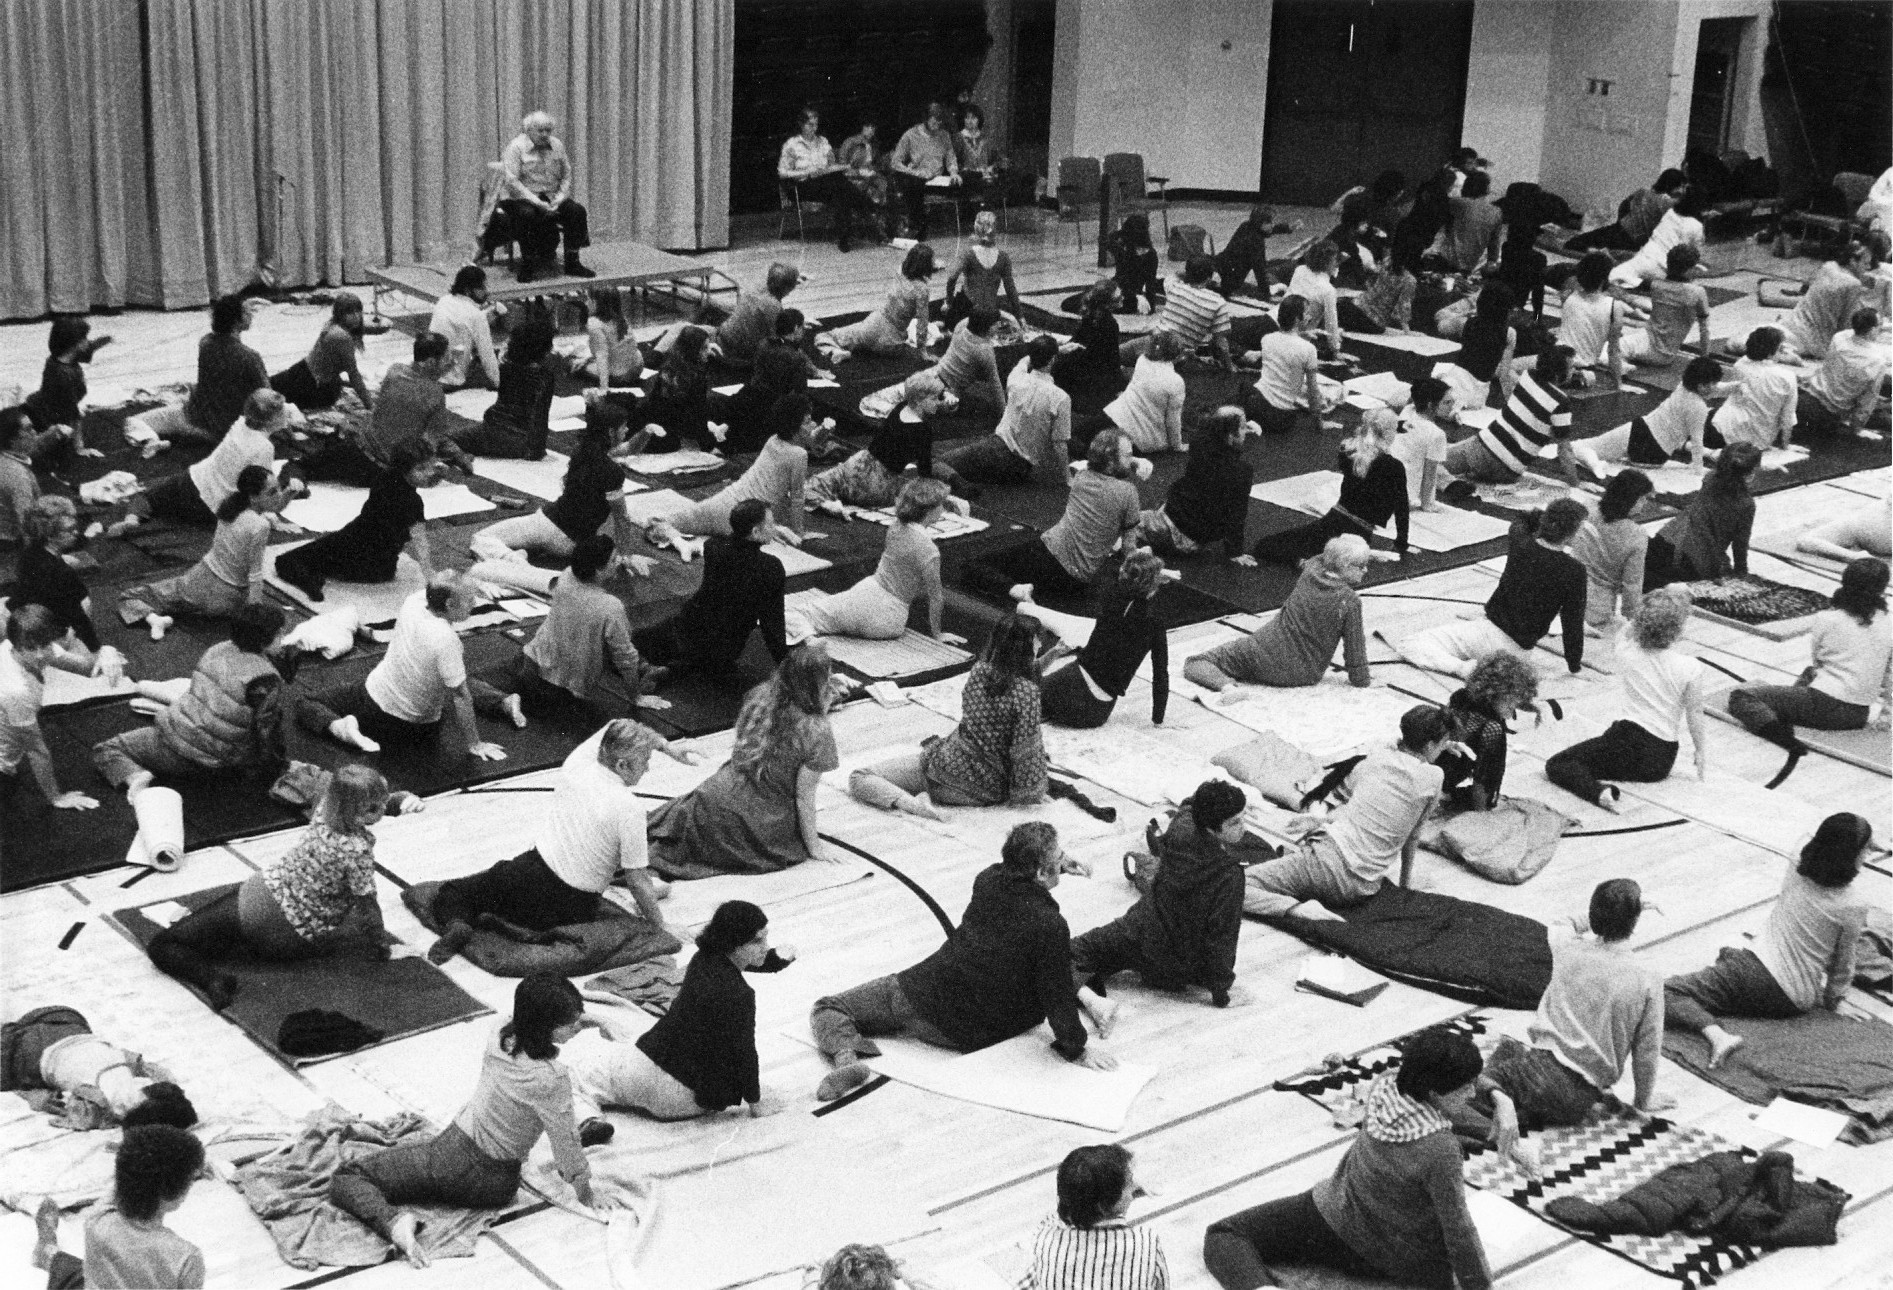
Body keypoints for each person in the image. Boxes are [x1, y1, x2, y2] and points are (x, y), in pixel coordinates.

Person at [811, 821, 1114, 1102]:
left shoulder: (987, 881)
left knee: (830, 1007)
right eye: (1058, 858)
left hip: (925, 993)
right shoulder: (1050, 925)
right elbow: (1055, 995)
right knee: (1053, 965)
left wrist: (1056, 862)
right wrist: (1077, 1049)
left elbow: (1014, 870)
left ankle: (846, 1060)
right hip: (979, 1030)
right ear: (1041, 873)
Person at [330, 975, 597, 1268]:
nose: (577, 1027)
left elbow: (528, 1014)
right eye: (570, 1022)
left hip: (461, 1158)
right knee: (351, 1175)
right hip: (483, 1176)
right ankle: (397, 1224)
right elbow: (567, 1145)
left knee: (352, 1175)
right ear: (544, 1026)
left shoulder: (500, 1035)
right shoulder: (552, 1078)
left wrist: (594, 1019)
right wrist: (586, 1194)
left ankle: (392, 1220)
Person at [1202, 1026, 1492, 1290]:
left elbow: (1432, 1085)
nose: (1472, 1092)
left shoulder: (1387, 1085)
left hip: (1334, 1212)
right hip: (1394, 1254)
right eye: (1465, 1087)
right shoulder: (1441, 1149)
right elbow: (1458, 1230)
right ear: (1434, 1092)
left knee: (1225, 1234)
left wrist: (1498, 1102)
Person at [141, 767, 397, 1009]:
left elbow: (344, 793)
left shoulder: (324, 807)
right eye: (374, 808)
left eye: (384, 803)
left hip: (261, 896)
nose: (382, 812)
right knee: (214, 939)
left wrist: (395, 801)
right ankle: (218, 972)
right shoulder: (357, 850)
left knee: (164, 945)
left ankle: (211, 978)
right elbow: (368, 905)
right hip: (288, 932)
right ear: (350, 811)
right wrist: (381, 943)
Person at [1461, 881, 1668, 1176]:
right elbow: (1647, 1049)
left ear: (1593, 915)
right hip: (1581, 1099)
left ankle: (1512, 1141)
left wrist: (1607, 913)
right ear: (1634, 921)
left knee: (1456, 1090)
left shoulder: (1568, 947)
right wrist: (1643, 1101)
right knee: (1508, 1054)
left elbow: (1563, 922)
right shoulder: (1648, 978)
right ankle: (1516, 1115)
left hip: (1541, 1071)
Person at [426, 719, 677, 960]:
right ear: (622, 765)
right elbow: (637, 880)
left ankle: (458, 924)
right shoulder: (630, 808)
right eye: (645, 760)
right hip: (574, 909)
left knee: (453, 892)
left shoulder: (576, 766)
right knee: (657, 887)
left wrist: (665, 746)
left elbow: (615, 723)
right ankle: (510, 925)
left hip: (530, 876)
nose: (647, 768)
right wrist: (661, 926)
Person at [1664, 813, 1873, 1070]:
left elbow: (1812, 833)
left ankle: (1718, 1035)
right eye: (1866, 849)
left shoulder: (1797, 861)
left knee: (1663, 992)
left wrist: (1853, 835)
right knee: (1731, 953)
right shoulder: (1854, 904)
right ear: (1853, 856)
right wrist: (1835, 1000)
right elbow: (1844, 960)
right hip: (1798, 997)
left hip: (1760, 973)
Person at [564, 900, 791, 1132]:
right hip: (686, 1092)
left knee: (573, 1074)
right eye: (757, 941)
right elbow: (744, 1052)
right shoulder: (737, 992)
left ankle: (588, 1120)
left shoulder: (704, 957)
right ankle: (591, 1123)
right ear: (733, 943)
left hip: (667, 1081)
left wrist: (778, 959)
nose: (765, 947)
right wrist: (756, 1104)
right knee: (594, 1067)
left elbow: (744, 1049)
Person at [646, 645, 841, 879]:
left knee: (646, 839)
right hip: (754, 820)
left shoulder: (759, 695)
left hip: (713, 794)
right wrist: (815, 848)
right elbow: (804, 798)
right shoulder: (817, 730)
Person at [1242, 705, 1448, 920]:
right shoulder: (1434, 776)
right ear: (1430, 744)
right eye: (1443, 744)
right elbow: (1413, 836)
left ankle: (1298, 909)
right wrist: (1404, 885)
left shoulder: (1377, 758)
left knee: (1235, 885)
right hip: (1364, 886)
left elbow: (1391, 746)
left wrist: (1293, 908)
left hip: (1328, 866)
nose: (1444, 749)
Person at [1072, 779, 1255, 1013]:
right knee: (1068, 953)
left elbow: (1189, 804)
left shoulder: (1182, 827)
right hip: (1181, 964)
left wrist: (1209, 798)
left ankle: (1088, 997)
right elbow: (1222, 936)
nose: (1243, 828)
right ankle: (1092, 998)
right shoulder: (1228, 874)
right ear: (1211, 827)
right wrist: (1221, 992)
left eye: (1243, 818)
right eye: (1234, 822)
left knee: (1067, 952)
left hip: (1141, 933)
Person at [294, 571, 515, 759]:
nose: (474, 604)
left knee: (307, 702)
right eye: (470, 599)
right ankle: (501, 702)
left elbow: (434, 585)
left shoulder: (413, 603)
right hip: (412, 726)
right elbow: (461, 696)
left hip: (376, 695)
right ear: (449, 604)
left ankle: (336, 725)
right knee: (461, 684)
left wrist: (472, 583)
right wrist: (475, 744)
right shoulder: (446, 640)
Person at [91, 604, 289, 807]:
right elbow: (268, 732)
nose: (283, 637)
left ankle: (135, 777)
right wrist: (278, 768)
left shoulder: (217, 649)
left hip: (176, 737)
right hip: (217, 759)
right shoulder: (266, 679)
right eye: (280, 633)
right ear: (265, 639)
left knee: (108, 749)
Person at [850, 615, 1047, 816]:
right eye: (1037, 641)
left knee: (860, 777)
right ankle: (921, 802)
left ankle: (911, 804)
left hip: (944, 767)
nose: (1041, 645)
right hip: (984, 788)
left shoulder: (979, 671)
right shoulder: (1027, 692)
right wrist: (1029, 795)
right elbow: (1027, 750)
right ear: (1027, 646)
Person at [1545, 588, 1706, 810]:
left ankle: (1599, 793)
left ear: (1641, 623)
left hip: (1628, 743)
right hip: (1661, 761)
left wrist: (1646, 612)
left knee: (1559, 763)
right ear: (1678, 631)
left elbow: (1626, 630)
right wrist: (1700, 751)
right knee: (1605, 746)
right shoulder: (1690, 667)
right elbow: (1694, 712)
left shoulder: (1627, 653)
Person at [1395, 499, 1589, 679]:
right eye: (1581, 528)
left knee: (1410, 644)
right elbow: (1572, 622)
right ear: (1569, 532)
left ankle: (1464, 668)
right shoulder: (1575, 570)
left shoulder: (1521, 543)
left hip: (1490, 634)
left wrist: (1547, 516)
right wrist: (1574, 666)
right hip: (1519, 652)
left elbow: (1522, 519)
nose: (1583, 534)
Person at [1727, 557, 1891, 755]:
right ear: (1882, 588)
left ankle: (1784, 738)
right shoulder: (1890, 621)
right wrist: (1886, 715)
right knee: (1808, 675)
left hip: (1825, 706)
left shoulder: (1827, 618)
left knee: (1742, 697)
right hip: (1859, 714)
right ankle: (1787, 711)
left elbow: (1818, 660)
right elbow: (1888, 675)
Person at [963, 430, 1144, 606]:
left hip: (1051, 554)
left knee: (973, 565)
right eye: (1128, 456)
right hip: (1076, 579)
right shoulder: (1128, 493)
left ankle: (1013, 588)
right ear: (1111, 460)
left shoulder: (1081, 478)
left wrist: (1130, 460)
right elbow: (1128, 549)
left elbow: (1099, 464)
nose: (1131, 460)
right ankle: (1017, 589)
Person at [1185, 533, 1372, 694]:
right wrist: (1362, 681)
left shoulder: (1309, 571)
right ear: (1345, 565)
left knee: (1196, 662)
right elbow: (1355, 652)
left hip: (1262, 654)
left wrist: (1342, 548)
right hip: (1305, 674)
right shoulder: (1350, 601)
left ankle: (1227, 687)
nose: (1366, 570)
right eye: (1361, 565)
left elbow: (1325, 556)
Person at [504, 534, 665, 718]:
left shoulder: (567, 576)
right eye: (614, 560)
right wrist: (636, 697)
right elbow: (626, 658)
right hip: (557, 689)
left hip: (527, 663)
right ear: (597, 570)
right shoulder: (610, 606)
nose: (618, 561)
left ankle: (645, 667)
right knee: (618, 643)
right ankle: (645, 667)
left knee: (604, 637)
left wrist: (623, 561)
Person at [31, 1124, 206, 1290]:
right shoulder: (186, 1258)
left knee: (77, 1272)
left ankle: (47, 1249)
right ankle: (46, 1251)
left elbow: (121, 1186)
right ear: (173, 1193)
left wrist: (133, 1159)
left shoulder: (98, 1217)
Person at [631, 499, 788, 675]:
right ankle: (677, 668)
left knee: (633, 641)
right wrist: (785, 663)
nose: (774, 528)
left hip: (690, 627)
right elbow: (772, 622)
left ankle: (666, 668)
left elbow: (733, 541)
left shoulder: (714, 547)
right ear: (755, 532)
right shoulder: (771, 567)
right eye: (771, 525)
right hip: (727, 646)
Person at [470, 401, 639, 564]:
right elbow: (622, 518)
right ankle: (521, 554)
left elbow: (622, 518)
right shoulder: (607, 467)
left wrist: (625, 556)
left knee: (481, 538)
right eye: (624, 426)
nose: (627, 430)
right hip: (569, 537)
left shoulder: (583, 452)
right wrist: (625, 555)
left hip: (554, 528)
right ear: (611, 432)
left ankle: (516, 562)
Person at [113, 389, 298, 533]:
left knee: (149, 497)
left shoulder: (240, 423)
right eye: (283, 411)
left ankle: (132, 519)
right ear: (272, 419)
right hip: (213, 506)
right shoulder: (264, 447)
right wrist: (280, 510)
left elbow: (259, 414)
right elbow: (262, 493)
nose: (286, 413)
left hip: (194, 480)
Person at [273, 443, 439, 602]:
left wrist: (429, 576)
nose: (430, 473)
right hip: (372, 556)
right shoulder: (407, 497)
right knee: (297, 560)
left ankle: (311, 581)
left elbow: (420, 542)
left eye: (431, 467)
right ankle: (313, 578)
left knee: (287, 561)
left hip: (369, 559)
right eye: (422, 469)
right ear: (404, 469)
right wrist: (430, 576)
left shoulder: (388, 480)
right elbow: (420, 541)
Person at [792, 478, 949, 643]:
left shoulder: (896, 527)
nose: (943, 509)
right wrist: (937, 634)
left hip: (873, 598)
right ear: (930, 510)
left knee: (799, 614)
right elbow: (935, 597)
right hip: (890, 617)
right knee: (806, 614)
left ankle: (807, 639)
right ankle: (809, 640)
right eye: (941, 504)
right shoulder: (929, 549)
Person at [299, 332, 467, 485]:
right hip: (380, 470)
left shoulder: (394, 371)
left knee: (306, 465)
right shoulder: (435, 395)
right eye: (446, 359)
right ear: (430, 362)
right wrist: (458, 456)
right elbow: (432, 442)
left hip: (358, 450)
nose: (450, 363)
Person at [1033, 548, 1170, 729]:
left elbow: (1121, 577)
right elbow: (1160, 673)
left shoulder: (1111, 597)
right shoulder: (1155, 622)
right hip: (1097, 711)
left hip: (1074, 686)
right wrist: (1158, 719)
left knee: (1023, 688)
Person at [1251, 409, 1408, 567]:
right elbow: (1401, 507)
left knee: (1270, 544)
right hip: (1358, 531)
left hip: (1336, 517)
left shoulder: (1349, 453)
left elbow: (1369, 437)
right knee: (1324, 551)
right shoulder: (1393, 466)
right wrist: (1401, 543)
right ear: (1388, 433)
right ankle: (1304, 561)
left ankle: (1300, 559)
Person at [647, 394, 808, 544]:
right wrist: (798, 532)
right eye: (808, 421)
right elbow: (797, 498)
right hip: (741, 516)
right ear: (796, 426)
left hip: (727, 503)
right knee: (665, 523)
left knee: (664, 522)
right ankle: (678, 541)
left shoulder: (773, 440)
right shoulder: (799, 454)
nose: (813, 424)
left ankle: (674, 537)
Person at [125, 295, 270, 453]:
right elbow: (268, 398)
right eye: (247, 313)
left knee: (133, 422)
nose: (251, 315)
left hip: (197, 419)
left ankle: (152, 440)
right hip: (229, 428)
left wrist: (238, 307)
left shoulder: (206, 343)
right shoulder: (250, 357)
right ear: (236, 321)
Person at [1019, 1145, 1168, 1290]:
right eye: (1129, 1183)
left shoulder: (1046, 1238)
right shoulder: (1146, 1241)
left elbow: (1059, 1216)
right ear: (1105, 1205)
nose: (1133, 1189)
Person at [0, 606, 102, 813]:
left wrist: (107, 653)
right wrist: (56, 797)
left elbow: (88, 668)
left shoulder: (32, 644)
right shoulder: (16, 690)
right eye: (30, 648)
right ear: (16, 646)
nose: (40, 655)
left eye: (45, 645)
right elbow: (36, 750)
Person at [936, 335, 1072, 489]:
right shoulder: (1060, 397)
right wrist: (1068, 478)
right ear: (1053, 359)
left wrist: (1051, 351)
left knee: (938, 463)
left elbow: (1024, 361)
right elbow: (1060, 444)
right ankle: (964, 484)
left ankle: (963, 487)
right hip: (1020, 467)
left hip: (1001, 450)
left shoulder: (1016, 378)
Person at [1442, 345, 1579, 485]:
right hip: (1509, 472)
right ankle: (1476, 472)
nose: (1574, 371)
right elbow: (1565, 450)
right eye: (1571, 368)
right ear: (1558, 374)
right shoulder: (1561, 402)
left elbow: (1511, 368)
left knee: (1436, 459)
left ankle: (1473, 471)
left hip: (1484, 451)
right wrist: (1575, 483)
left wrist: (1511, 345)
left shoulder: (1528, 376)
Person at [1570, 356, 1727, 477]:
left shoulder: (1684, 388)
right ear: (1701, 385)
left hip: (1643, 434)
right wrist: (1697, 468)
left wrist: (1698, 468)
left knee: (1576, 446)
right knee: (1585, 447)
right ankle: (1594, 461)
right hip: (1655, 457)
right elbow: (1697, 440)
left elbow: (1698, 440)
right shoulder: (1697, 403)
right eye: (1712, 384)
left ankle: (1594, 464)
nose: (1714, 388)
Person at [1139, 406, 1256, 562]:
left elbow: (1212, 427)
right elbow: (1236, 512)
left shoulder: (1199, 447)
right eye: (1242, 427)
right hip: (1184, 529)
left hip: (1177, 525)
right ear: (1230, 436)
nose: (1246, 431)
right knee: (1125, 519)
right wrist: (1235, 552)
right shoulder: (1240, 471)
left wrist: (1236, 426)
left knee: (1126, 519)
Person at [12, 495, 118, 667]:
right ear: (51, 536)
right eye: (70, 530)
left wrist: (83, 539)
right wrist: (97, 650)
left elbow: (67, 544)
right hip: (48, 635)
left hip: (23, 618)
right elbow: (78, 616)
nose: (75, 532)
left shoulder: (31, 552)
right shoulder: (61, 573)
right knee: (92, 665)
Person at [807, 379, 944, 511]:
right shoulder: (923, 430)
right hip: (878, 485)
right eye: (934, 399)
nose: (938, 403)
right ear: (919, 400)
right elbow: (925, 472)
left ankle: (827, 503)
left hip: (858, 465)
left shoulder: (901, 407)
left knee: (811, 487)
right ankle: (832, 503)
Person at [1643, 441, 1760, 589]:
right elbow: (1740, 545)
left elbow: (1730, 468)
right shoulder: (1745, 504)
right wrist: (1740, 574)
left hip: (1662, 543)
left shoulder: (1710, 479)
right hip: (1692, 562)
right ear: (1750, 474)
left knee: (1647, 569)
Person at [1437, 651, 1540, 812]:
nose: (1511, 714)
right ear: (1494, 695)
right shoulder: (1492, 728)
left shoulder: (1460, 697)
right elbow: (1485, 780)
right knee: (1488, 791)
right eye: (1510, 707)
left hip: (1434, 774)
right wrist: (1482, 813)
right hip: (1443, 783)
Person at [498, 112, 593, 282]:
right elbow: (512, 182)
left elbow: (566, 175)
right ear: (528, 130)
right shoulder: (516, 147)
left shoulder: (557, 145)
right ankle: (528, 264)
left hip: (551, 196)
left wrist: (560, 197)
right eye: (540, 130)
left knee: (577, 211)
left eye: (548, 130)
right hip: (521, 197)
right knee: (527, 214)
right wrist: (537, 202)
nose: (545, 134)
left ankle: (572, 261)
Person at [456, 317, 557, 460]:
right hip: (518, 441)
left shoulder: (506, 369)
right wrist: (537, 450)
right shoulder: (544, 376)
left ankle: (458, 456)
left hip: (494, 430)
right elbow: (540, 415)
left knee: (443, 440)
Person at [1568, 470, 1655, 632]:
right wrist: (1633, 620)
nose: (1645, 503)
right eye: (1642, 498)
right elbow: (1632, 584)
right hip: (1595, 609)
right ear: (1631, 499)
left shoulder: (1586, 509)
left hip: (1562, 592)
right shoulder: (1637, 534)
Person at [819, 243, 936, 359]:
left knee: (824, 336)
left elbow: (912, 268)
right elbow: (922, 323)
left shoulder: (900, 270)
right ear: (926, 265)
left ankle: (835, 351)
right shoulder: (922, 290)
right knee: (913, 351)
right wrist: (923, 352)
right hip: (891, 340)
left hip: (872, 326)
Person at [778, 106, 868, 252]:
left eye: (816, 125)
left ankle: (844, 237)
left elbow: (831, 164)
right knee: (840, 186)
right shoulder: (792, 145)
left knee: (840, 191)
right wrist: (807, 171)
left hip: (825, 183)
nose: (814, 128)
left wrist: (841, 167)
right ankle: (865, 206)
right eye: (810, 125)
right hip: (802, 185)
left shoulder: (823, 141)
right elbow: (782, 173)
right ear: (801, 124)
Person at [22, 316, 111, 463]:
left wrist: (103, 341)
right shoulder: (63, 375)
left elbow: (87, 349)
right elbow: (72, 413)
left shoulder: (61, 357)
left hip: (40, 405)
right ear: (73, 345)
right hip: (44, 418)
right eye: (84, 338)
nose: (87, 341)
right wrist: (79, 447)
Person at [1123, 256, 1233, 370]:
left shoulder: (1174, 287)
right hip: (1178, 355)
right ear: (1209, 277)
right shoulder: (1218, 302)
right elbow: (1221, 343)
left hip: (1153, 342)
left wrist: (1189, 273)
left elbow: (1175, 274)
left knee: (1115, 354)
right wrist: (1230, 366)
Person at [1241, 295, 1326, 435]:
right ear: (1297, 319)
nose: (1310, 316)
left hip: (1255, 405)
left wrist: (1301, 334)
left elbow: (1285, 342)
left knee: (1247, 388)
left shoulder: (1267, 339)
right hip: (1280, 418)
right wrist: (1320, 424)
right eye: (1307, 313)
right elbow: (1313, 391)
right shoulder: (1309, 349)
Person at [1799, 307, 1890, 438]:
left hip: (1809, 395)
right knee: (1885, 418)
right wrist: (1857, 429)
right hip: (1831, 414)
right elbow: (1868, 401)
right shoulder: (1876, 361)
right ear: (1872, 330)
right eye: (1880, 325)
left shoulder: (1839, 338)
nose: (1881, 328)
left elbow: (1854, 335)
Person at [272, 293, 372, 412]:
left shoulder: (333, 324)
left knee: (267, 387)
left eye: (358, 311)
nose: (356, 316)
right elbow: (354, 374)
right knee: (267, 391)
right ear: (340, 314)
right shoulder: (341, 335)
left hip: (311, 377)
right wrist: (370, 405)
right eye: (350, 313)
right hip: (310, 382)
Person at [1098, 329, 1187, 454]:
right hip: (1141, 437)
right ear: (1177, 355)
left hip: (1114, 415)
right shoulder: (1175, 382)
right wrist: (1177, 445)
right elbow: (1173, 420)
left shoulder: (1142, 360)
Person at [1710, 326, 1798, 450]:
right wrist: (1785, 446)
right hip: (1759, 442)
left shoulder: (1740, 365)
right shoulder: (1788, 377)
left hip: (1724, 431)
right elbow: (1787, 418)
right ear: (1770, 353)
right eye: (1780, 348)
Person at [1783, 241, 1874, 360]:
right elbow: (1847, 325)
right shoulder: (1853, 284)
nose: (1868, 267)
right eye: (1865, 263)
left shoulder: (1828, 266)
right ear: (1852, 261)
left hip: (1792, 322)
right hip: (1813, 340)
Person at [1564, 168, 1688, 252]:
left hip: (1621, 230)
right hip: (1630, 239)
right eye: (1681, 186)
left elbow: (1624, 205)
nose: (1682, 191)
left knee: (1576, 243)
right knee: (1576, 244)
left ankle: (1595, 251)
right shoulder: (1666, 201)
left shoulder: (1643, 192)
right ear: (1671, 185)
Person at [1631, 244, 1713, 369]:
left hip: (1651, 347)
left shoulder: (1656, 285)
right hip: (1663, 353)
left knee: (1607, 348)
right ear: (1691, 269)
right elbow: (1705, 329)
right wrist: (1705, 359)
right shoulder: (1698, 292)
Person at [1055, 280, 1128, 415]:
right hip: (1093, 377)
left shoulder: (1089, 316)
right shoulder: (1110, 324)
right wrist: (1119, 387)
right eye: (1118, 298)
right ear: (1107, 304)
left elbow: (1078, 341)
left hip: (1078, 368)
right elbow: (1112, 360)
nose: (1123, 298)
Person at [888, 100, 959, 238]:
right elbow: (895, 162)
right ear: (926, 118)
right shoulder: (910, 135)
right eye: (934, 121)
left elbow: (951, 158)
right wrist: (915, 173)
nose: (937, 125)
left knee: (966, 180)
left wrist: (954, 172)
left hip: (937, 179)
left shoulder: (944, 135)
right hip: (917, 179)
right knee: (913, 186)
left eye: (940, 122)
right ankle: (917, 228)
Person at [1441, 281, 1518, 406]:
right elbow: (1504, 376)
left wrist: (1462, 313)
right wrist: (1509, 405)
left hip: (1455, 380)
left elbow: (1442, 325)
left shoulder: (1465, 323)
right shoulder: (1510, 333)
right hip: (1476, 393)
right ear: (1507, 310)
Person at [1609, 190, 1706, 289]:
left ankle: (1641, 285)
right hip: (1662, 268)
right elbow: (1694, 256)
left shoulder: (1670, 213)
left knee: (1614, 276)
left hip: (1647, 258)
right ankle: (1644, 285)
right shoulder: (1696, 226)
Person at [642, 324, 717, 449]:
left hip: (660, 428)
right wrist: (710, 446)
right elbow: (699, 416)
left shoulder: (668, 367)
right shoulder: (696, 378)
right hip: (679, 435)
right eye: (704, 348)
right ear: (693, 350)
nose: (708, 352)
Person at [943, 210, 1023, 326]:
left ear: (976, 229)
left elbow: (951, 277)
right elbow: (1010, 290)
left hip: (966, 309)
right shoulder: (1003, 257)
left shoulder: (968, 254)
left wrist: (948, 302)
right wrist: (1020, 316)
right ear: (995, 230)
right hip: (989, 311)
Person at [717, 263, 805, 368]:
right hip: (737, 355)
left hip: (723, 337)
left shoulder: (757, 288)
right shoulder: (773, 307)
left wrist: (791, 280)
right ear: (788, 288)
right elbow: (782, 340)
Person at [427, 266, 502, 390]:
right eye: (482, 288)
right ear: (468, 290)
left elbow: (462, 323)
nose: (486, 291)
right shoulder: (476, 315)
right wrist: (500, 384)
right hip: (452, 381)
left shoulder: (443, 301)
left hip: (431, 375)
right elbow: (487, 355)